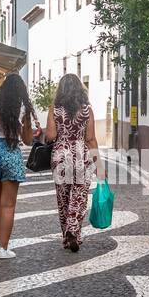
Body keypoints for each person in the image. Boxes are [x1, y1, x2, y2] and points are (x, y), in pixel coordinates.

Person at [0, 73, 36, 258]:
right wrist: (29, 130)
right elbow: (27, 141)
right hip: (11, 153)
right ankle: (4, 248)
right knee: (8, 205)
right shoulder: (23, 110)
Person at [45, 74, 103, 252]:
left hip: (61, 156)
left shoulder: (54, 109)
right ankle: (73, 230)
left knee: (63, 200)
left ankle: (67, 235)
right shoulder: (87, 110)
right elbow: (91, 139)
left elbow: (51, 136)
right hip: (81, 156)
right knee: (79, 197)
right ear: (80, 89)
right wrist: (99, 165)